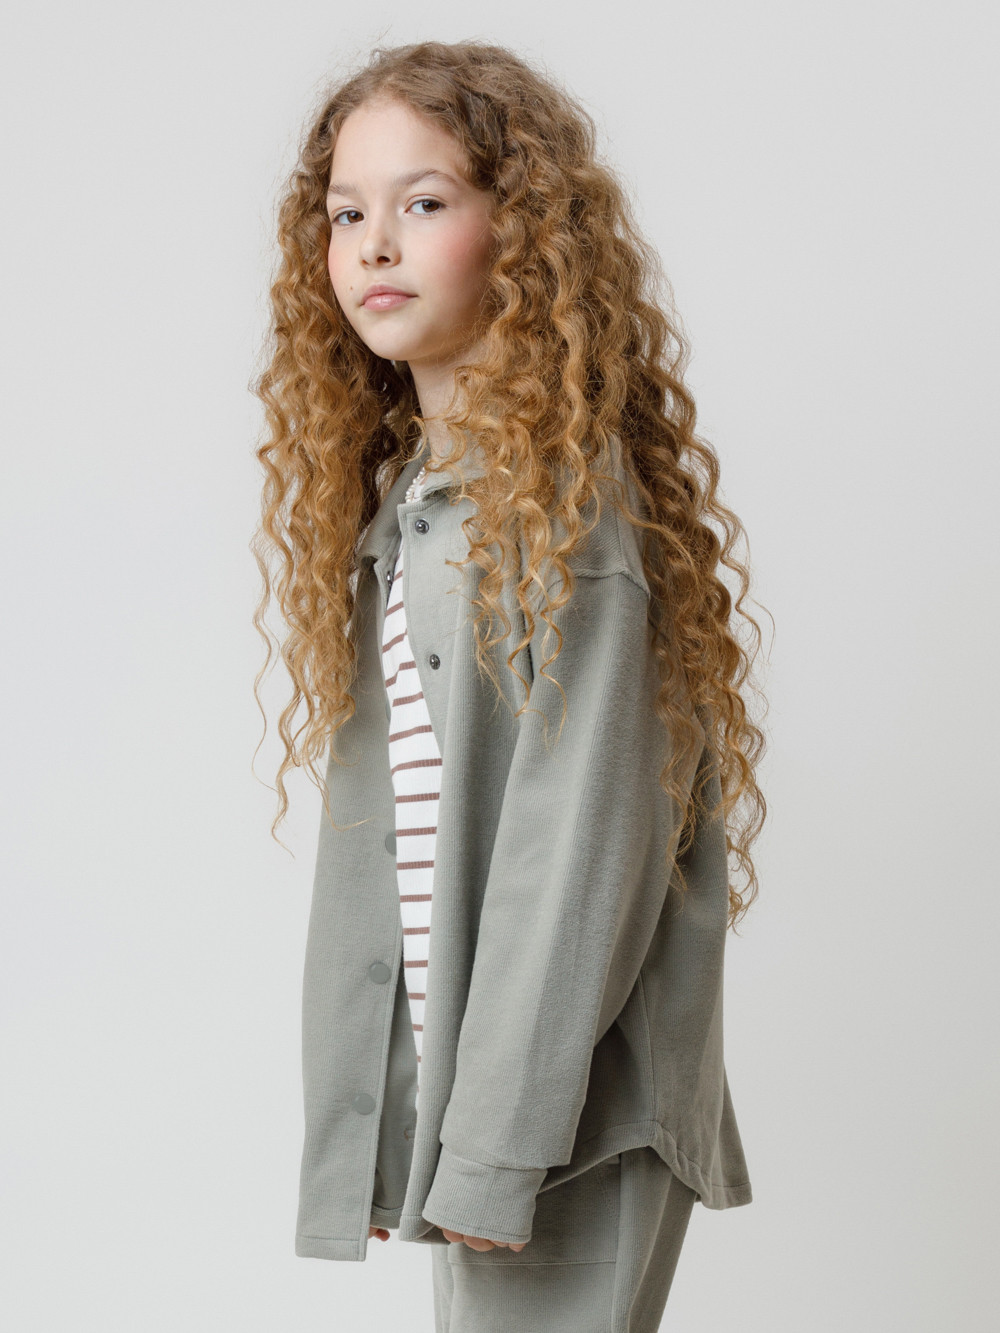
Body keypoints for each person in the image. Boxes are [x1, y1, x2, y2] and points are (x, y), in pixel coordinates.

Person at [250, 37, 769, 1333]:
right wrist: (396, 1129)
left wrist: (494, 1146)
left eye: (423, 202)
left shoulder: (566, 516)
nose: (374, 244)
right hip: (495, 1110)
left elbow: (580, 848)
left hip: (561, 1122)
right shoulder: (422, 510)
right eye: (346, 213)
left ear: (524, 235)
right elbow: (406, 851)